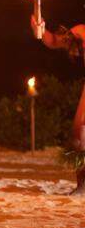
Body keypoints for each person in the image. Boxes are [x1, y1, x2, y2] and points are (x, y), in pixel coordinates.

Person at [31, 16, 85, 195]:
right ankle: (83, 184)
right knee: (79, 134)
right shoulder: (81, 31)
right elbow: (54, 41)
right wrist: (41, 28)